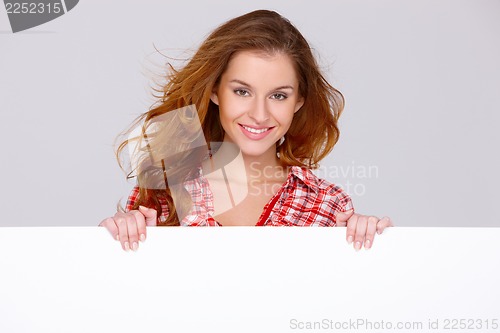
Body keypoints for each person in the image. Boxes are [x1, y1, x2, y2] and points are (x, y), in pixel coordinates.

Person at [99, 9, 393, 251]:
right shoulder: (162, 191)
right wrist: (109, 244)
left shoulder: (328, 204)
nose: (259, 114)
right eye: (242, 91)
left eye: (278, 95)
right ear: (215, 91)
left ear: (299, 101)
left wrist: (374, 246)